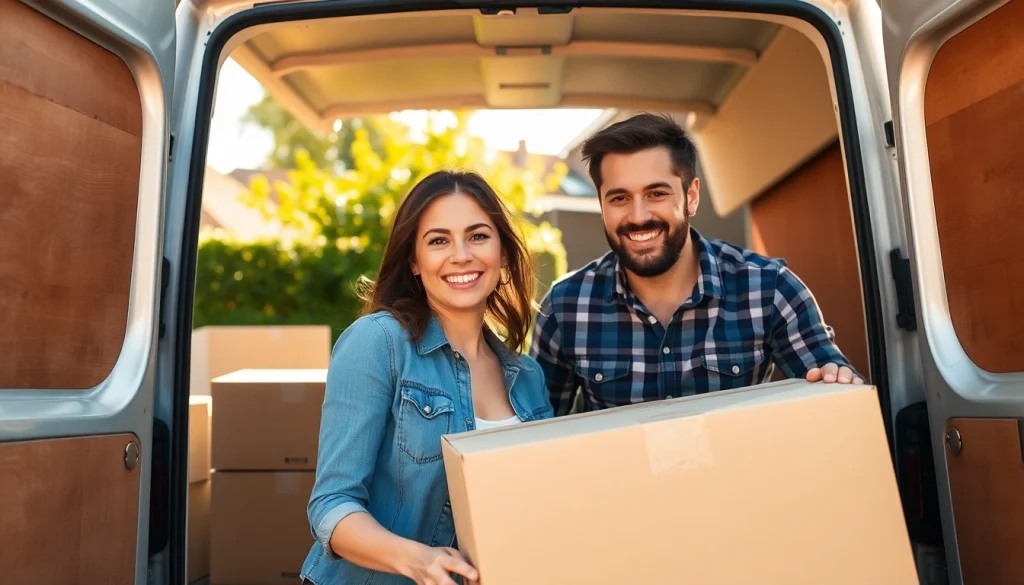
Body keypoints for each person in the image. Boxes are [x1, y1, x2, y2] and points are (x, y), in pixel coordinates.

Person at [300, 170, 553, 585]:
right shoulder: (377, 342)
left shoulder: (528, 378)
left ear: (504, 253)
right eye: (438, 241)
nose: (461, 255)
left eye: (478, 236)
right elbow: (331, 506)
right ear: (415, 262)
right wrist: (418, 561)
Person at [530, 113, 864, 416]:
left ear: (691, 196)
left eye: (656, 193)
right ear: (602, 204)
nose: (638, 216)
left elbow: (834, 396)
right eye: (619, 198)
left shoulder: (769, 288)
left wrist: (836, 381)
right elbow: (537, 434)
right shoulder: (565, 307)